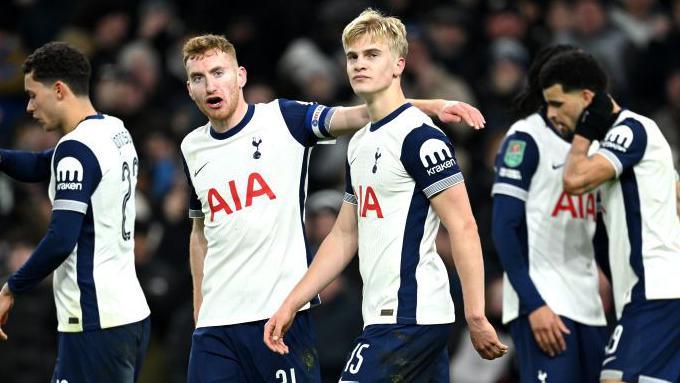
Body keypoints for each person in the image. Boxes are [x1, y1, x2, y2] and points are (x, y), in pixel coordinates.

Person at [180, 33, 486, 383]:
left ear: (241, 76)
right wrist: (200, 314)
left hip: (278, 316)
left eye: (219, 73)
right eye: (198, 78)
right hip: (215, 328)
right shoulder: (193, 148)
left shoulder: (284, 119)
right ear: (189, 88)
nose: (209, 86)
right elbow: (199, 234)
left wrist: (430, 106)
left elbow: (360, 113)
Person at [264, 10, 507, 382]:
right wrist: (293, 302)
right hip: (390, 314)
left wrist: (475, 315)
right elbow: (345, 235)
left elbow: (463, 226)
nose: (359, 64)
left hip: (410, 317)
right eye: (353, 56)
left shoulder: (420, 138)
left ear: (399, 64)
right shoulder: (359, 142)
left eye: (372, 54)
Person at [0, 42, 150, 382]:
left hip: (94, 321)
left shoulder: (76, 149)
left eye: (33, 95)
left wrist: (10, 289)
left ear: (58, 90)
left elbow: (60, 239)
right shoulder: (114, 130)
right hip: (129, 314)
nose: (29, 106)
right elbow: (43, 164)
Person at [540, 50, 680, 383]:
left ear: (587, 98)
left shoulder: (629, 129)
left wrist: (583, 134)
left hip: (655, 292)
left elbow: (574, 181)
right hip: (649, 292)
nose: (550, 114)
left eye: (558, 103)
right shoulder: (618, 142)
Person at [491, 45, 608, 383]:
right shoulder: (525, 139)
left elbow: (597, 231)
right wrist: (534, 304)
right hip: (544, 301)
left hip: (589, 304)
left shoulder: (594, 148)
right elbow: (504, 228)